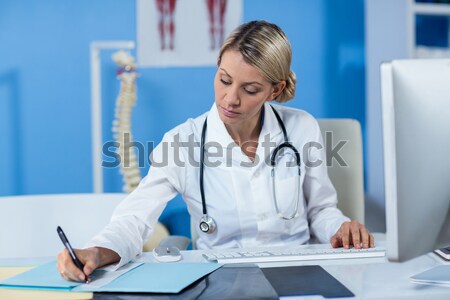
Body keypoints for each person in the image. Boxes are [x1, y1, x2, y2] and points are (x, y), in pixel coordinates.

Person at [57, 20, 374, 282]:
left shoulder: (301, 128)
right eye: (224, 80)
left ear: (275, 90)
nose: (230, 99)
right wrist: (96, 252)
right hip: (221, 279)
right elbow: (133, 220)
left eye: (250, 90)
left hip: (297, 273)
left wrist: (341, 228)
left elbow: (320, 210)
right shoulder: (182, 142)